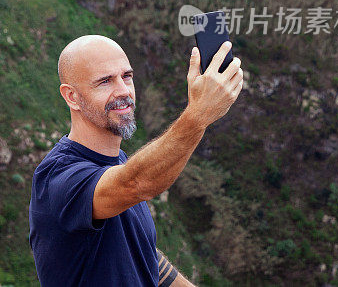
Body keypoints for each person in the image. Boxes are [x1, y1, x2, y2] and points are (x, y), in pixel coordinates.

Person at [29, 34, 244, 286]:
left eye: (127, 76)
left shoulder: (119, 162)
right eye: (105, 81)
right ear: (71, 97)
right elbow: (137, 183)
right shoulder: (58, 178)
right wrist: (198, 114)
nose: (123, 91)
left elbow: (142, 253)